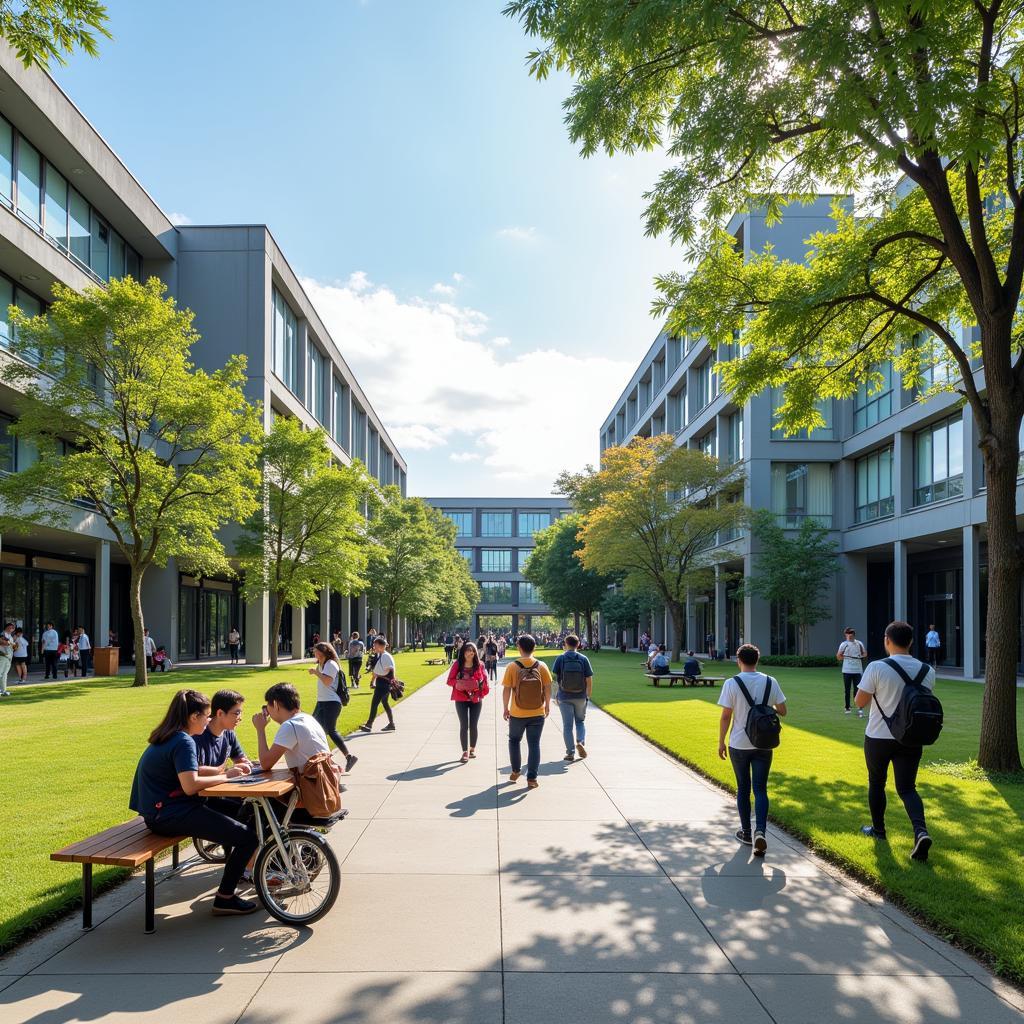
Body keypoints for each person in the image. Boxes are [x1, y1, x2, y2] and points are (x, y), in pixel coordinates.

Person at [130, 688, 260, 915]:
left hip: (166, 809)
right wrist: (227, 775)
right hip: (167, 814)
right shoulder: (183, 741)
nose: (208, 720)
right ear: (193, 717)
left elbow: (189, 783)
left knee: (245, 810)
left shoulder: (171, 735)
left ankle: (242, 870)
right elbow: (191, 785)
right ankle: (225, 898)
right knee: (247, 837)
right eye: (206, 716)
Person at [855, 620, 936, 862]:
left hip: (879, 736)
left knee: (877, 783)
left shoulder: (877, 667)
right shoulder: (927, 670)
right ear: (911, 642)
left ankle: (879, 831)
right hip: (911, 737)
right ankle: (920, 831)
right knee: (908, 788)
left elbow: (860, 702)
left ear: (886, 640)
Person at [717, 643, 788, 857]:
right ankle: (761, 832)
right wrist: (765, 708)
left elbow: (726, 716)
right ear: (757, 660)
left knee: (743, 788)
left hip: (739, 743)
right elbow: (783, 711)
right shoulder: (770, 681)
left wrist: (721, 742)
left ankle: (746, 832)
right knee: (760, 789)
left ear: (739, 660)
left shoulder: (732, 683)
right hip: (763, 743)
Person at [252, 681, 335, 777]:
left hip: (311, 786)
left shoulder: (290, 725)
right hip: (324, 781)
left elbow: (265, 764)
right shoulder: (308, 718)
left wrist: (260, 729)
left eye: (267, 706)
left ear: (275, 704)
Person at [502, 634, 552, 789]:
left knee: (514, 741)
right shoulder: (541, 666)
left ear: (519, 647)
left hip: (518, 712)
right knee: (534, 744)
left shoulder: (512, 666)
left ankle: (516, 770)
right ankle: (532, 778)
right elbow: (548, 687)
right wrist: (548, 705)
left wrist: (506, 708)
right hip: (537, 711)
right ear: (534, 647)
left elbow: (507, 690)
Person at [309, 641, 358, 773]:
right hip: (322, 702)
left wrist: (315, 672)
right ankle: (325, 759)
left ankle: (348, 757)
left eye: (316, 651)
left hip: (331, 703)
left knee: (330, 730)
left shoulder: (331, 664)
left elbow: (327, 681)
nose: (314, 652)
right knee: (315, 730)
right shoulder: (322, 664)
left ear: (323, 652)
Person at [553, 634, 593, 762]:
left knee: (567, 726)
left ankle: (570, 753)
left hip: (564, 696)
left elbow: (555, 679)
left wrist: (556, 695)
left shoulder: (561, 658)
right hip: (580, 695)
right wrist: (588, 694)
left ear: (565, 644)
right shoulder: (583, 658)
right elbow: (589, 678)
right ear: (578, 644)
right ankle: (580, 741)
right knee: (580, 722)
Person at [447, 641, 489, 762]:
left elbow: (485, 682)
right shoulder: (457, 664)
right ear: (463, 652)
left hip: (476, 699)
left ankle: (472, 749)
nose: (470, 653)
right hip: (461, 698)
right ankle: (464, 752)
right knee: (464, 725)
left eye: (472, 650)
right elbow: (449, 680)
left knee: (473, 725)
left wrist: (480, 688)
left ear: (475, 652)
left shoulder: (480, 665)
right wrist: (460, 683)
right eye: (467, 650)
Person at [194, 689, 252, 773]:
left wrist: (244, 763)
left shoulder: (229, 733)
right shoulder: (198, 734)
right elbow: (196, 771)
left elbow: (239, 758)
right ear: (220, 713)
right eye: (237, 713)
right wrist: (226, 771)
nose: (240, 718)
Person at [359, 635, 397, 732]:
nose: (373, 647)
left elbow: (391, 670)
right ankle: (391, 724)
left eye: (375, 645)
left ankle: (369, 725)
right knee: (385, 703)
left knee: (374, 704)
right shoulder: (381, 655)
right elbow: (377, 671)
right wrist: (373, 681)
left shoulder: (385, 656)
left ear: (380, 646)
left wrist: (391, 682)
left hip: (383, 684)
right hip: (382, 683)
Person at [837, 627, 867, 717]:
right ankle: (847, 707)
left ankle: (859, 707)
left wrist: (860, 656)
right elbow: (838, 656)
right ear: (845, 635)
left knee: (857, 690)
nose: (849, 635)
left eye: (851, 634)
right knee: (847, 690)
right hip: (847, 670)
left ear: (854, 635)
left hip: (857, 670)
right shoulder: (843, 644)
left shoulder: (859, 643)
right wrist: (845, 657)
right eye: (847, 634)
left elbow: (865, 653)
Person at [0, 621, 13, 696]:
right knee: (0, 673)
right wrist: (8, 643)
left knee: (4, 674)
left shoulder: (10, 636)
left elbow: (12, 646)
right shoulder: (3, 634)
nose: (13, 629)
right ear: (8, 627)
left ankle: (3, 690)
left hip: (8, 657)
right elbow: (1, 641)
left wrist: (14, 646)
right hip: (2, 655)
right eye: (11, 628)